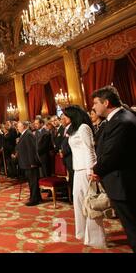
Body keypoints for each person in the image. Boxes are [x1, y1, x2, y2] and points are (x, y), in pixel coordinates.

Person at [91, 86, 136, 253]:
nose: (94, 107)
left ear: (106, 102)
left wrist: (96, 170)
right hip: (120, 180)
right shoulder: (117, 118)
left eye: (95, 103)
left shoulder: (122, 121)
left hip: (123, 181)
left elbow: (111, 153)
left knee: (132, 226)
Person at [63, 105, 106, 249]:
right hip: (77, 170)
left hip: (86, 171)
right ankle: (82, 233)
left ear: (73, 115)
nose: (64, 118)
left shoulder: (84, 128)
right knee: (79, 202)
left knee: (90, 204)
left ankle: (95, 238)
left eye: (66, 115)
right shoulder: (73, 129)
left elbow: (90, 151)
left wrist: (91, 171)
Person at [13, 121, 42, 206]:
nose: (17, 128)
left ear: (24, 126)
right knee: (31, 181)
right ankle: (36, 197)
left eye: (19, 126)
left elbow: (32, 150)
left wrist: (32, 162)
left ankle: (34, 199)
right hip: (26, 162)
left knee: (33, 182)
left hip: (30, 163)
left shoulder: (28, 134)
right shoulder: (23, 135)